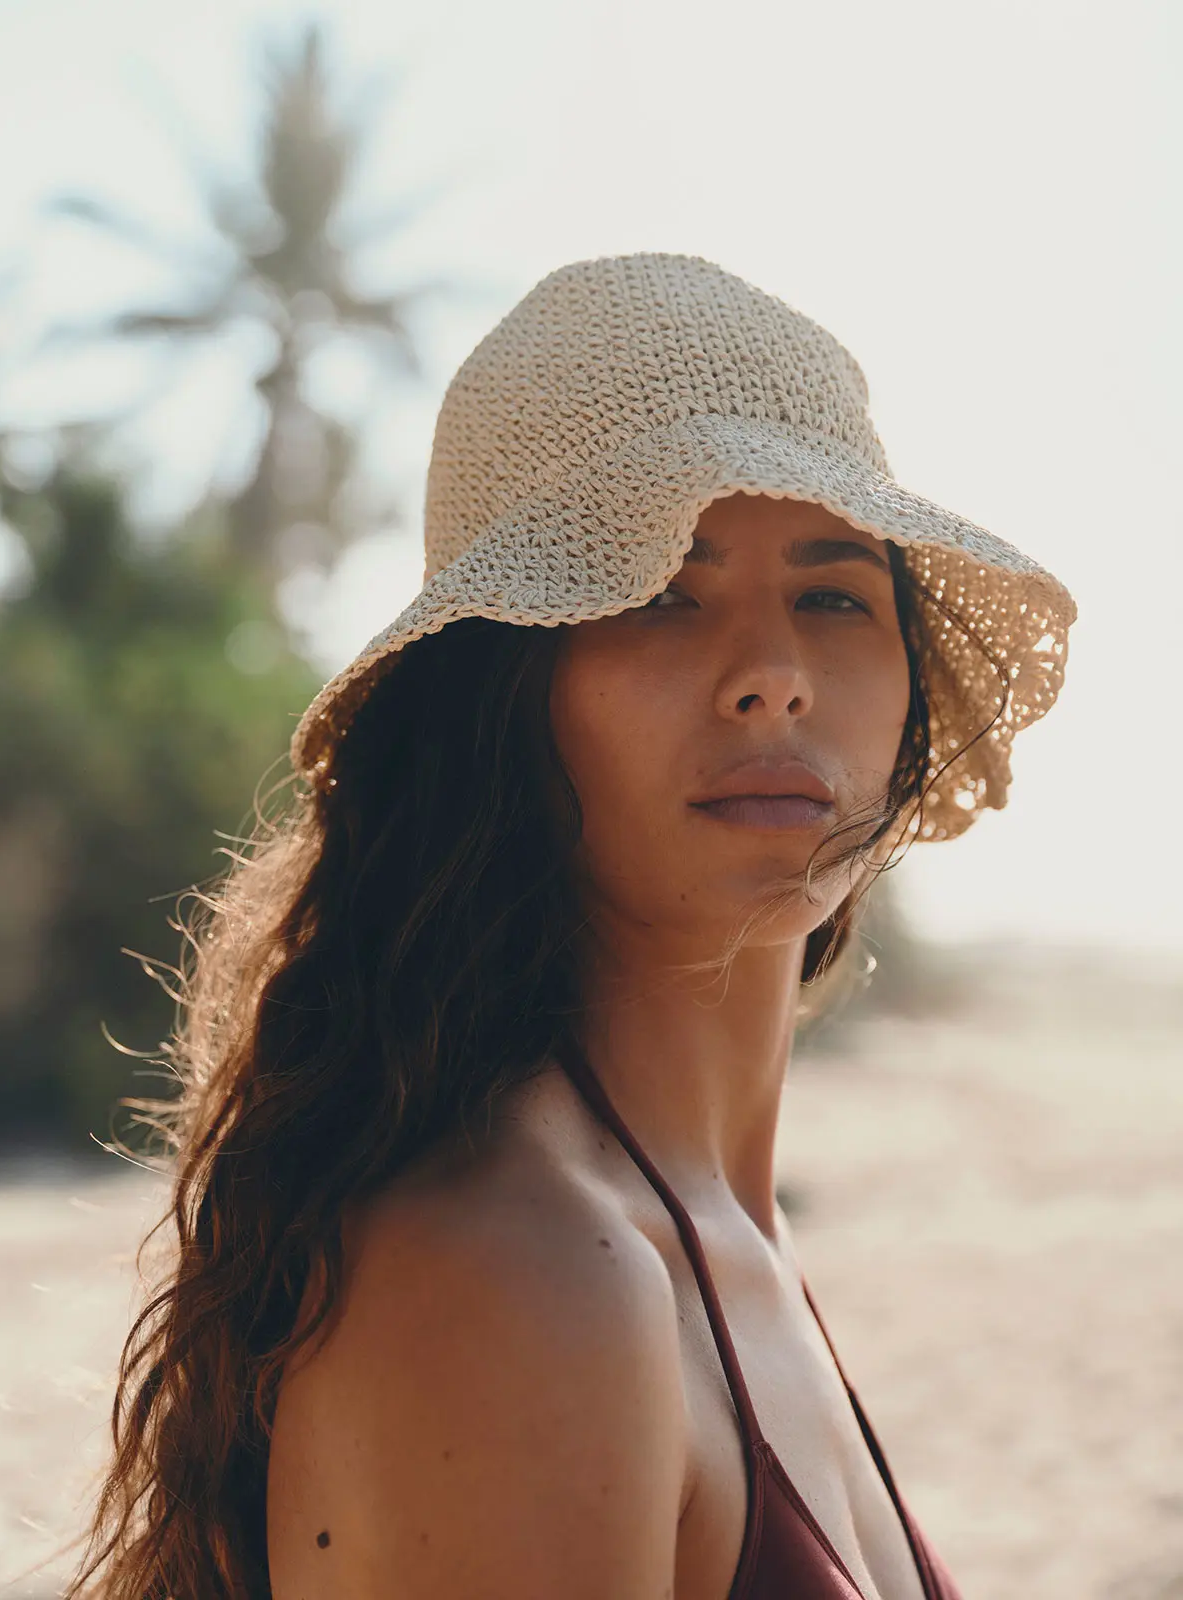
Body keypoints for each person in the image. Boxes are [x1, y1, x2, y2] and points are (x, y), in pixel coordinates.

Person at [67, 253, 1076, 1599]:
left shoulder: (707, 1231)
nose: (775, 675)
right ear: (501, 690)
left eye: (834, 594)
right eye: (660, 592)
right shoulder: (522, 1269)